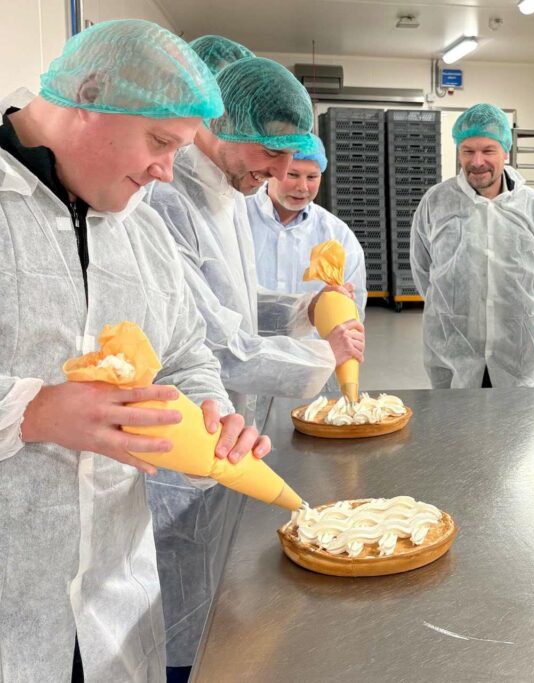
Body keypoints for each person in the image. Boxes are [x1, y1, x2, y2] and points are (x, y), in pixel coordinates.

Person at [0, 19, 271, 681]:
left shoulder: (141, 230)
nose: (165, 170)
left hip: (113, 605)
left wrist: (211, 411)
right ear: (90, 96)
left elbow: (185, 354)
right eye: (159, 140)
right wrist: (30, 411)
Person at [144, 55, 365, 679]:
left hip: (230, 421)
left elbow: (234, 302)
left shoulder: (226, 192)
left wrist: (303, 307)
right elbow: (211, 343)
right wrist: (322, 358)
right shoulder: (170, 199)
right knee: (176, 591)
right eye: (270, 154)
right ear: (219, 120)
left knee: (210, 581)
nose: (279, 172)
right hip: (187, 431)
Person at [411, 103, 534, 388]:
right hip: (453, 351)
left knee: (514, 417)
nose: (477, 161)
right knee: (455, 417)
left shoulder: (533, 206)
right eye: (468, 151)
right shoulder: (436, 202)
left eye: (488, 150)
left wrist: (516, 314)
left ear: (506, 152)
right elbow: (422, 269)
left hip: (515, 352)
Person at [246, 136, 367, 316]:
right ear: (271, 171)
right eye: (292, 174)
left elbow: (351, 308)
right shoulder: (237, 217)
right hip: (242, 335)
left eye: (312, 177)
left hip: (312, 336)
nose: (302, 187)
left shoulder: (337, 234)